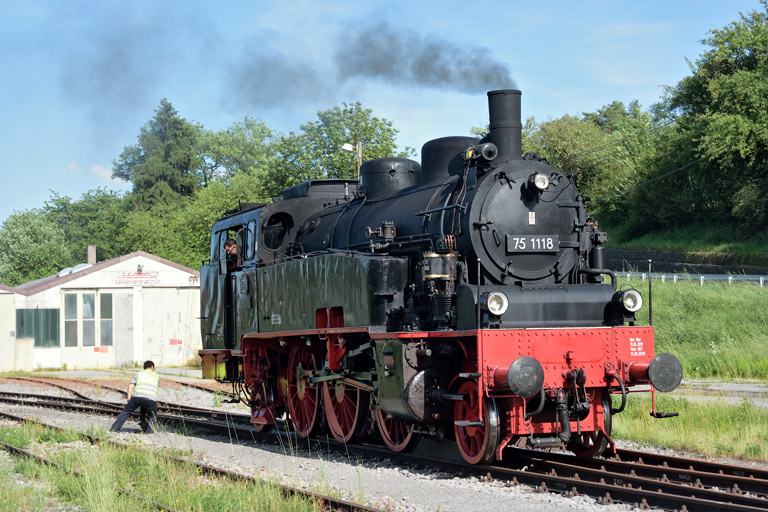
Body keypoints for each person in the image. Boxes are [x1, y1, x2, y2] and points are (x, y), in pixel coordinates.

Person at [110, 360, 159, 433]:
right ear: (152, 367)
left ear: (144, 367)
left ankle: (114, 429)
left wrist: (129, 399)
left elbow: (130, 387)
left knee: (126, 412)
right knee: (152, 416)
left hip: (137, 398)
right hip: (151, 399)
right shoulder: (156, 376)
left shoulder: (139, 374)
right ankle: (150, 433)